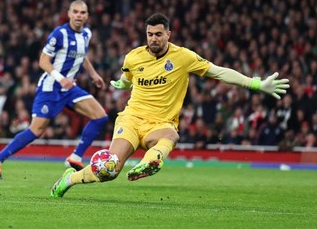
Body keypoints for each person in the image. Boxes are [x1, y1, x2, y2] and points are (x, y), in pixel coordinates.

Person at [50, 13, 289, 197]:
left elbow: (218, 72)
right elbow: (127, 77)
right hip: (131, 120)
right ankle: (69, 179)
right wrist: (123, 85)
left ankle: (148, 163)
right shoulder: (133, 57)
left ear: (168, 34)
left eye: (158, 34)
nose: (154, 38)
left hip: (160, 123)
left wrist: (255, 84)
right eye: (150, 34)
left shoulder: (183, 57)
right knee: (109, 171)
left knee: (171, 135)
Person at [0, 0, 109, 179]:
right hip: (51, 87)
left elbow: (83, 56)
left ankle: (75, 157)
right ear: (69, 14)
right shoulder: (59, 34)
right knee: (36, 130)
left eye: (82, 13)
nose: (79, 16)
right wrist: (60, 78)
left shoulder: (86, 34)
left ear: (87, 16)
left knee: (101, 116)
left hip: (70, 88)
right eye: (75, 12)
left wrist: (93, 74)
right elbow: (43, 60)